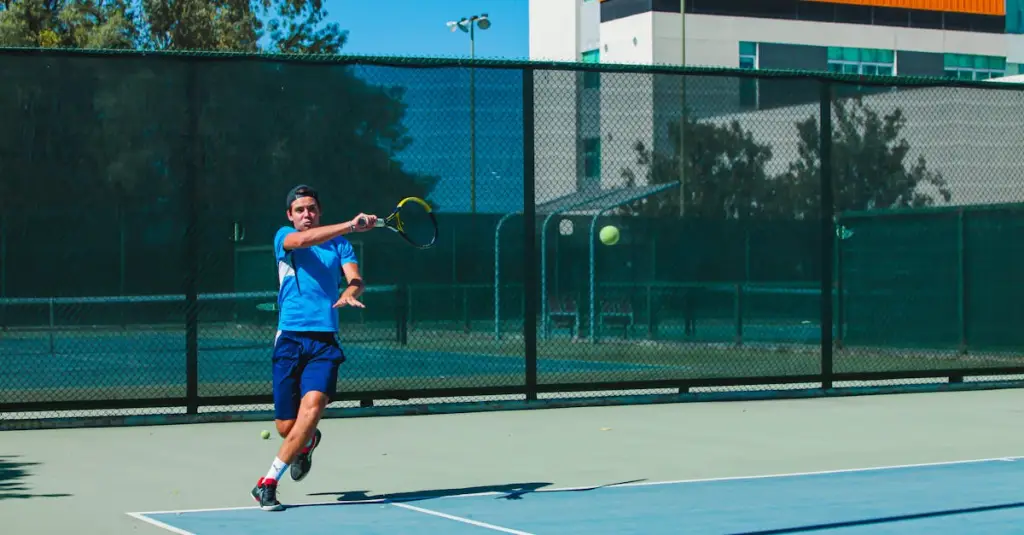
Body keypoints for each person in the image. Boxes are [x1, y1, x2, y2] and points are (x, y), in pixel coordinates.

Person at [251, 185, 377, 512]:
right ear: (290, 216)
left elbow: (356, 278)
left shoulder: (341, 245)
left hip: (324, 341)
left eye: (312, 209)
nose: (307, 214)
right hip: (290, 339)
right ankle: (306, 443)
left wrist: (352, 291)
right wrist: (351, 223)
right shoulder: (285, 237)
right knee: (285, 428)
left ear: (319, 211)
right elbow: (305, 241)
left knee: (314, 405)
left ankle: (267, 483)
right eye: (300, 210)